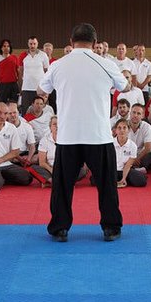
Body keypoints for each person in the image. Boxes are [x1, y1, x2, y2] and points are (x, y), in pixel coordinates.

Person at [38, 22, 129, 243]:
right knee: (106, 184)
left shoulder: (58, 64)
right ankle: (111, 228)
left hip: (68, 136)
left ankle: (60, 228)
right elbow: (124, 86)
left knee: (62, 185)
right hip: (98, 135)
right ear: (95, 43)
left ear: (70, 42)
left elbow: (42, 90)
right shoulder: (106, 63)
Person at [33, 116, 87, 186]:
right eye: (54, 124)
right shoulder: (44, 140)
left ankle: (53, 183)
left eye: (59, 124)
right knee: (33, 168)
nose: (57, 126)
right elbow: (42, 162)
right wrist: (52, 170)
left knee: (82, 170)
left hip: (66, 169)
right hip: (50, 169)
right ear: (50, 127)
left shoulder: (69, 139)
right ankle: (62, 183)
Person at [107, 119, 147, 188]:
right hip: (112, 169)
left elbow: (128, 165)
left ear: (128, 130)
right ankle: (116, 181)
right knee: (94, 179)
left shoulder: (133, 146)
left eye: (124, 128)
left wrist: (123, 178)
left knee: (142, 181)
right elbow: (108, 162)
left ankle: (120, 181)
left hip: (125, 170)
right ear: (115, 130)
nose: (122, 130)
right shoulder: (110, 144)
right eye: (119, 128)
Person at [18, 36, 50, 115]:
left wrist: (45, 88)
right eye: (30, 44)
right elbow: (21, 71)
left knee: (39, 110)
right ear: (28, 44)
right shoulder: (22, 55)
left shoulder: (43, 55)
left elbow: (47, 72)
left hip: (39, 88)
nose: (32, 46)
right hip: (26, 87)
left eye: (34, 44)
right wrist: (21, 87)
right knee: (25, 110)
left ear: (37, 44)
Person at [0, 39, 19, 104]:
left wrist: (20, 85)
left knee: (14, 104)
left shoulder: (15, 58)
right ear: (1, 48)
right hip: (2, 86)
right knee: (2, 104)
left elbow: (19, 73)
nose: (6, 48)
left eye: (8, 46)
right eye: (4, 46)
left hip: (13, 85)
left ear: (10, 48)